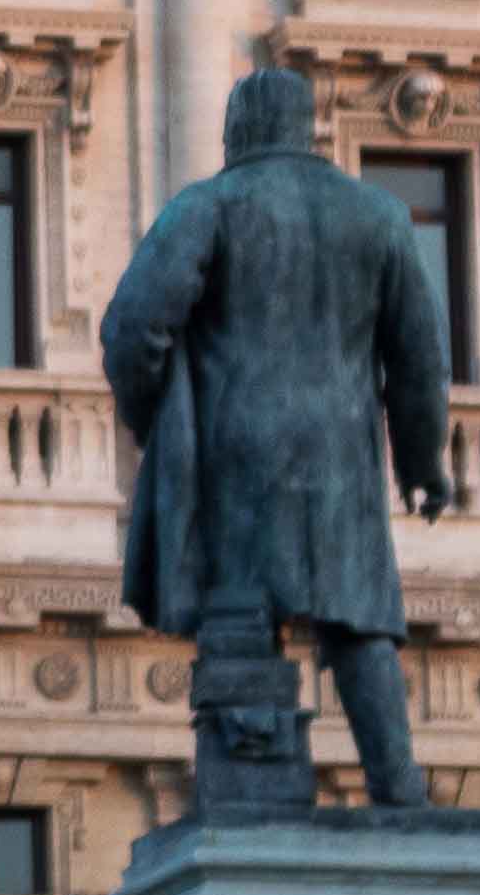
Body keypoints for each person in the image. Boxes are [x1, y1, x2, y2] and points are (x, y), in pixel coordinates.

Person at [96, 63, 457, 805]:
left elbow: (132, 326)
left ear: (238, 131)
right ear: (307, 130)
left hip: (233, 453)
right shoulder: (379, 215)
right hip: (340, 464)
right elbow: (419, 361)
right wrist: (422, 462)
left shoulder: (208, 205)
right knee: (356, 619)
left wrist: (154, 417)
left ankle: (250, 785)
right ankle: (397, 785)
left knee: (241, 619)